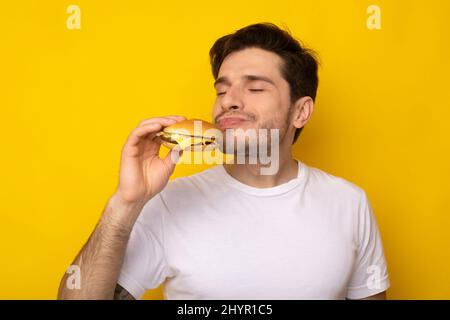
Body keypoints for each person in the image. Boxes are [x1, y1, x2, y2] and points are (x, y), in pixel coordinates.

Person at [58, 23, 390, 300]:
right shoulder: (172, 202)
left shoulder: (349, 202)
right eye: (222, 90)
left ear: (300, 111)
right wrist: (125, 204)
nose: (229, 101)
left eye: (255, 88)